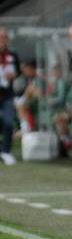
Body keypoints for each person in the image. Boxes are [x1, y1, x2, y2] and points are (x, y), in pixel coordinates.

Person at [0, 27, 19, 165]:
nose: (3, 40)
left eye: (5, 37)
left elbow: (18, 71)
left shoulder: (12, 55)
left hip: (7, 94)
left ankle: (5, 151)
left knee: (8, 122)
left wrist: (14, 75)